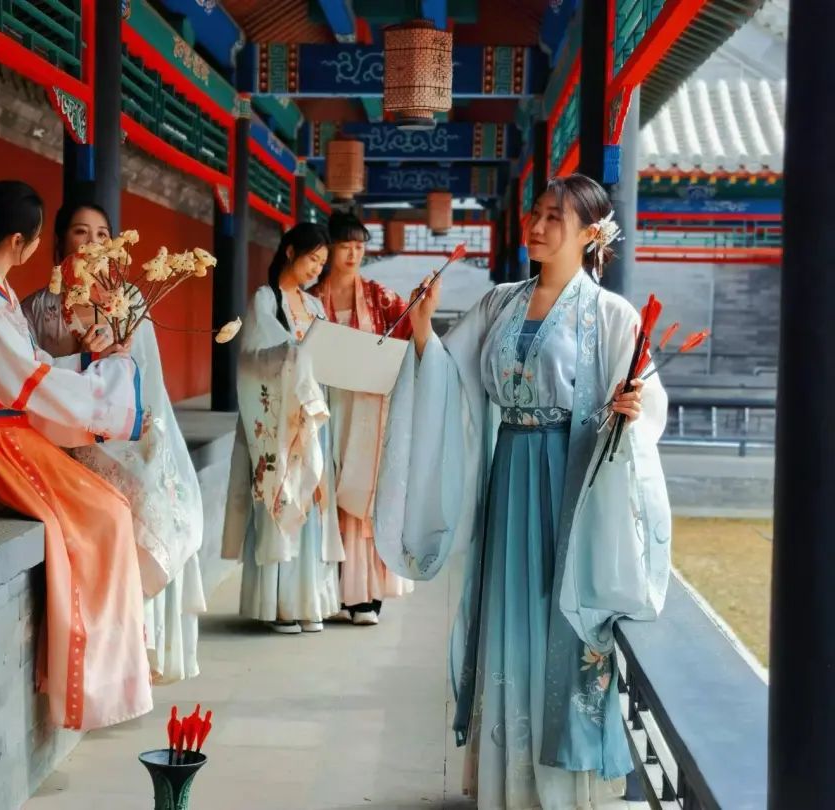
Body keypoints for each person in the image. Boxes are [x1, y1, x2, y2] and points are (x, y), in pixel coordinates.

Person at [376, 174, 672, 805]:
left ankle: (560, 786)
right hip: (510, 473)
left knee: (563, 620)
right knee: (509, 615)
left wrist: (630, 408)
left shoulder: (610, 314)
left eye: (554, 218)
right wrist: (423, 331)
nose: (535, 227)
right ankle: (506, 780)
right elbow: (450, 379)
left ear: (591, 234)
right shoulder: (499, 303)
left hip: (572, 487)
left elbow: (647, 404)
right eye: (535, 214)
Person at [0, 180, 152, 730]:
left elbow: (36, 371)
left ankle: (105, 675)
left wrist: (97, 364)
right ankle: (88, 680)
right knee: (103, 515)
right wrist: (108, 383)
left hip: (7, 433)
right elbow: (29, 382)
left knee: (111, 509)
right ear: (20, 241)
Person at [21, 199, 206, 684]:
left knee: (146, 505)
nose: (92, 243)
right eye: (80, 233)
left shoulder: (130, 301)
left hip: (126, 439)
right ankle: (98, 663)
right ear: (59, 242)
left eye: (103, 234)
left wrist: (118, 371)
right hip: (65, 444)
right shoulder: (37, 308)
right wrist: (84, 363)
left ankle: (137, 655)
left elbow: (149, 383)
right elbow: (33, 380)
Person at [220, 222, 342, 634]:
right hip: (276, 420)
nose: (316, 269)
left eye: (322, 264)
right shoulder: (265, 298)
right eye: (313, 259)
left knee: (310, 505)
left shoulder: (316, 305)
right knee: (281, 499)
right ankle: (279, 605)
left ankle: (309, 601)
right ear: (290, 251)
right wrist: (296, 356)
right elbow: (255, 354)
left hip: (310, 417)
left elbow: (322, 356)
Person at [309, 210, 413, 626]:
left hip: (368, 406)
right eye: (345, 246)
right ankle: (324, 591)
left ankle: (365, 591)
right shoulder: (311, 297)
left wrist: (423, 307)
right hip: (323, 401)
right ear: (328, 249)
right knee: (323, 486)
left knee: (362, 492)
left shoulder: (380, 296)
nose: (353, 254)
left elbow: (409, 333)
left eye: (359, 247)